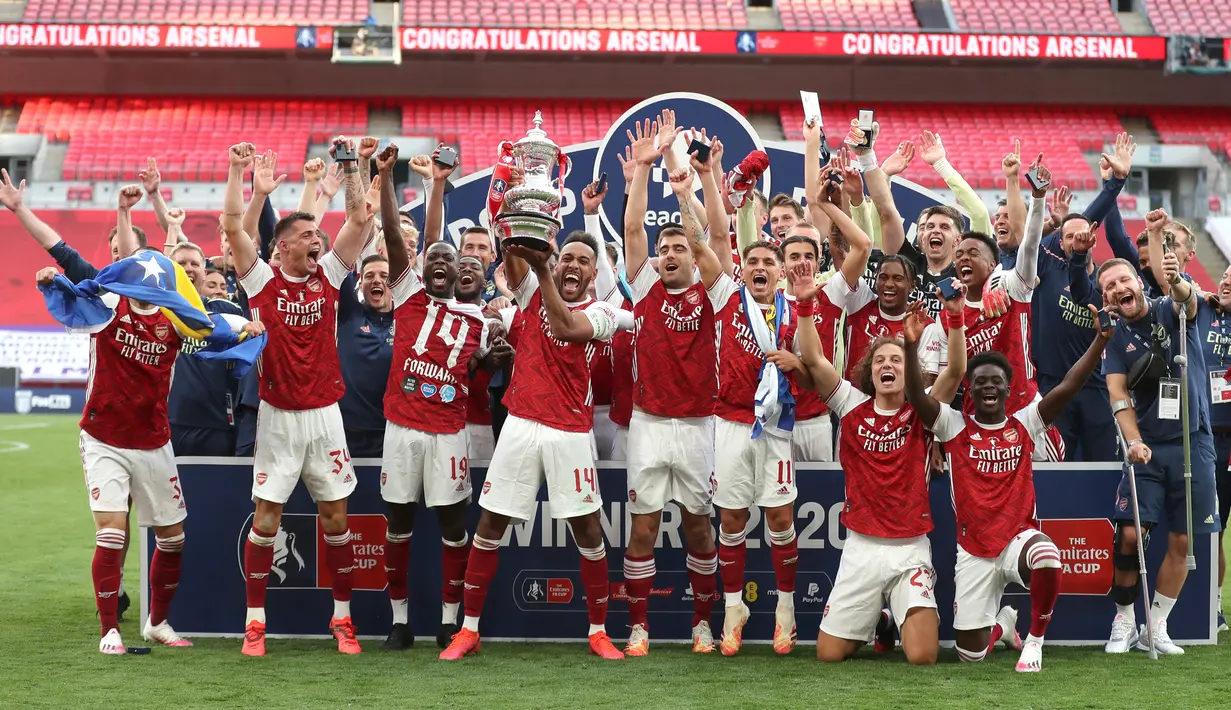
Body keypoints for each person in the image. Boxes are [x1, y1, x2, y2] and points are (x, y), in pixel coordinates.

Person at [905, 290, 1112, 672]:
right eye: (979, 381)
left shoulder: (1025, 422)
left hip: (1018, 538)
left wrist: (1100, 340)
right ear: (969, 388)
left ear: (1006, 387)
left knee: (1048, 555)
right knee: (970, 653)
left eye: (995, 381)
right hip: (974, 550)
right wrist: (910, 343)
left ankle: (1034, 642)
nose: (987, 387)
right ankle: (1004, 625)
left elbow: (1067, 387)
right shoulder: (953, 426)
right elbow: (917, 397)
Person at [439, 231, 623, 661]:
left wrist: (543, 267)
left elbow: (565, 327)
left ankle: (598, 631)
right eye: (567, 259)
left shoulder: (602, 312)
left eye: (582, 261)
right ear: (558, 266)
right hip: (521, 423)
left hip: (570, 431)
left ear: (593, 274)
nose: (573, 266)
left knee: (588, 530)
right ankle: (468, 630)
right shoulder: (530, 293)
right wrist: (520, 224)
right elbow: (510, 249)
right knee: (490, 526)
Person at [224, 138, 371, 657]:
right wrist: (243, 178)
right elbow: (233, 229)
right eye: (307, 235)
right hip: (278, 417)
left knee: (337, 521)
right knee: (266, 521)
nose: (317, 240)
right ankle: (255, 623)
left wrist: (351, 168)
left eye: (317, 235)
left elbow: (356, 222)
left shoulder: (329, 279)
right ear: (282, 246)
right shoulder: (262, 282)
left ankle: (342, 620)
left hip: (325, 417)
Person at [793, 259, 966, 665]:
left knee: (922, 657)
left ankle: (891, 613)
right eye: (880, 361)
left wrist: (954, 319)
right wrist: (804, 306)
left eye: (896, 360)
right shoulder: (851, 404)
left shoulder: (923, 411)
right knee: (829, 655)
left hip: (910, 550)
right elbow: (816, 361)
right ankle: (880, 618)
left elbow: (956, 370)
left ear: (910, 372)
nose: (888, 365)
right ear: (870, 372)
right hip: (862, 549)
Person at [373, 142, 491, 651]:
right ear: (424, 268)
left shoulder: (482, 322)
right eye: (435, 257)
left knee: (451, 526)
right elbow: (410, 244)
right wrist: (389, 182)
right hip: (401, 427)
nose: (442, 262)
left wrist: (494, 358)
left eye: (451, 260)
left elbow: (488, 367)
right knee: (397, 524)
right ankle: (400, 621)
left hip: (449, 434)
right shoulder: (408, 295)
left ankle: (447, 619)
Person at [706, 129, 816, 655]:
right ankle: (733, 609)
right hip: (728, 422)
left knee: (778, 519)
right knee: (731, 520)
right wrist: (702, 178)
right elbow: (706, 237)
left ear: (781, 270)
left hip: (777, 426)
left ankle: (785, 611)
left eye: (769, 263)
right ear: (741, 269)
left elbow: (821, 373)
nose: (760, 268)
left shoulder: (799, 310)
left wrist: (798, 362)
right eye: (751, 262)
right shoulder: (727, 297)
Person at [616, 124, 725, 656]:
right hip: (649, 425)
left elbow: (718, 241)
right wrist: (640, 169)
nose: (672, 253)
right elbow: (633, 226)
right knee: (642, 529)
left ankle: (702, 623)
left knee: (700, 530)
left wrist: (699, 184)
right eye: (666, 248)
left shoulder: (710, 294)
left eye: (681, 246)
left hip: (700, 424)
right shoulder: (644, 287)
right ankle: (639, 626)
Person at [1099, 207, 1221, 655]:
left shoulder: (1172, 310)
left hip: (1193, 442)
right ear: (1107, 299)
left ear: (1138, 280)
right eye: (1109, 287)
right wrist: (1134, 441)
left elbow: (1186, 298)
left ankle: (1158, 625)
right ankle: (1124, 620)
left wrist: (1161, 252)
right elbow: (1118, 397)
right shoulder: (1115, 342)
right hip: (1146, 448)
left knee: (1182, 540)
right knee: (1130, 534)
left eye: (1123, 281)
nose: (1118, 289)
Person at [1198, 266, 1231, 632]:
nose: (1224, 282)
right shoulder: (1203, 309)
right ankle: (1213, 605)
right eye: (1224, 276)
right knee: (1215, 528)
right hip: (1213, 438)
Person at [337, 254, 395, 458]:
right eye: (369, 276)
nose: (377, 280)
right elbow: (341, 260)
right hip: (345, 435)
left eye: (384, 275)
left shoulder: (408, 320)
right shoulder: (348, 314)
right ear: (360, 284)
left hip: (391, 436)